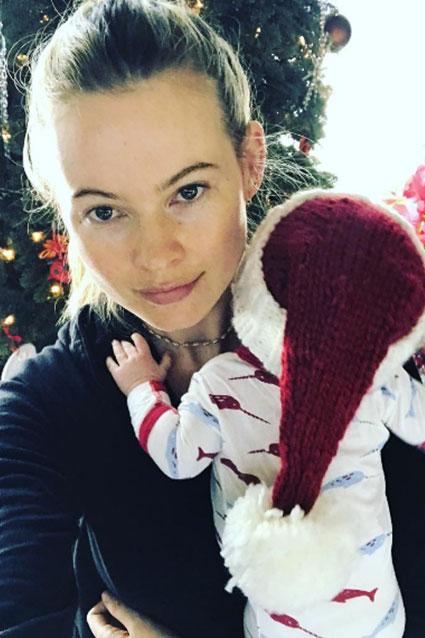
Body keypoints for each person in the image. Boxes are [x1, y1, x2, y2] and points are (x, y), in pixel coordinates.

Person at [0, 0, 423, 637]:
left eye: (188, 191)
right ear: (63, 211)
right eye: (105, 211)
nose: (156, 253)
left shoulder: (365, 328)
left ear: (249, 162)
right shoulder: (49, 403)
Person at [105, 190, 425, 638]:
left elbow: (176, 458)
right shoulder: (381, 383)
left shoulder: (220, 382)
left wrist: (142, 388)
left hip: (275, 624)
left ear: (252, 285)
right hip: (379, 622)